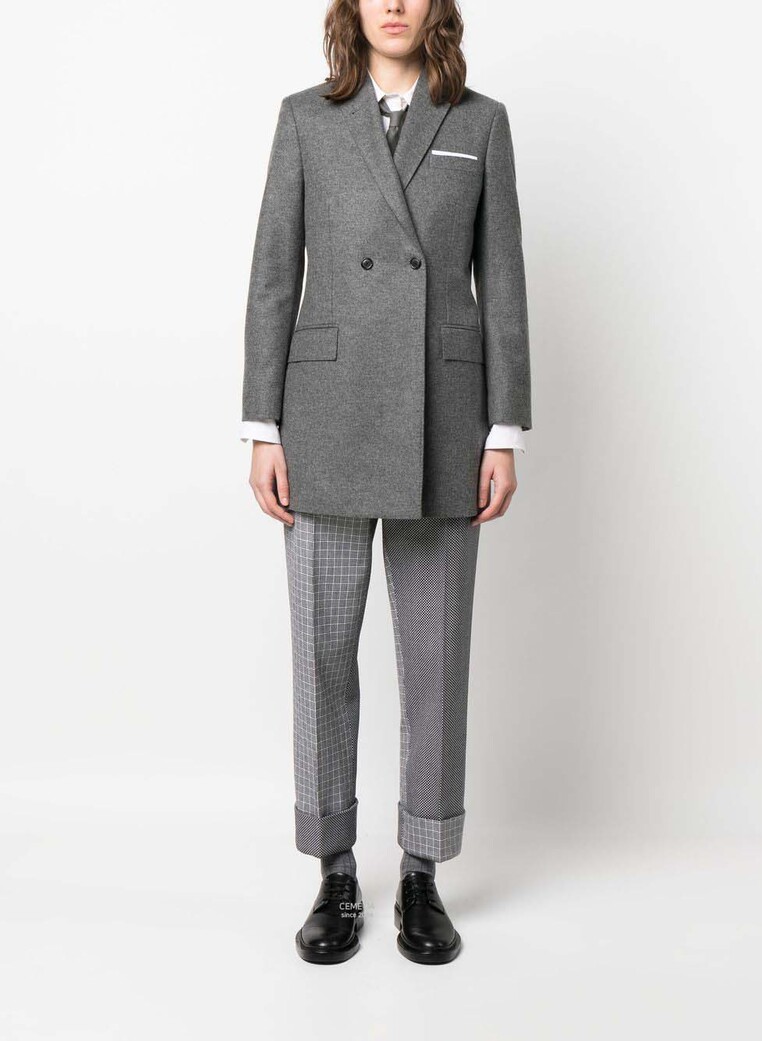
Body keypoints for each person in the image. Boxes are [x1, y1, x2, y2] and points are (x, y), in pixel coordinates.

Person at [240, 0, 530, 965]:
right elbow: (273, 276)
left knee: (435, 659)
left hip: (445, 419)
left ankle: (420, 868)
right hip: (323, 414)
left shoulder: (480, 121)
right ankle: (333, 867)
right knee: (324, 652)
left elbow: (504, 282)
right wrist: (261, 424)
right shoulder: (304, 118)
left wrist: (503, 429)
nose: (395, 4)